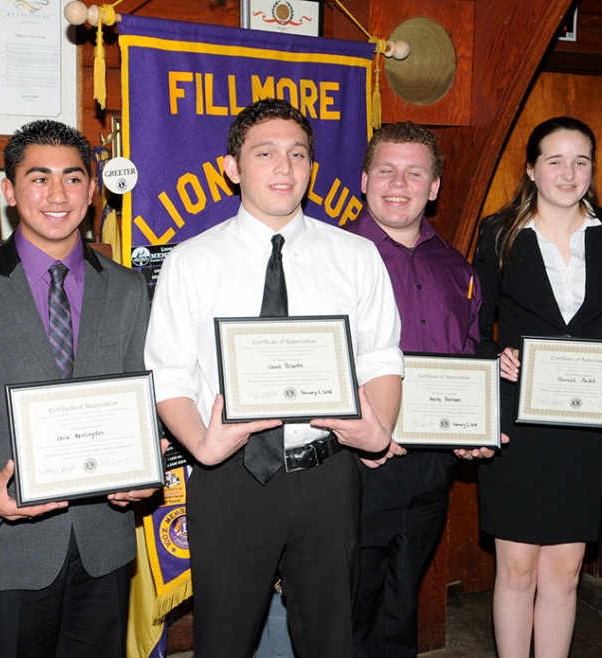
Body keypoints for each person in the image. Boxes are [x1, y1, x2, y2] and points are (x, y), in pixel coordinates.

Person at [144, 98, 404, 657]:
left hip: (328, 474)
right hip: (230, 477)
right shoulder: (191, 261)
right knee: (224, 640)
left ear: (312, 166)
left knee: (330, 640)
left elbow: (382, 355)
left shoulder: (356, 256)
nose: (284, 168)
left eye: (298, 154)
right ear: (233, 168)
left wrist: (377, 431)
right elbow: (169, 372)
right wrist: (201, 444)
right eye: (265, 154)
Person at [0, 119, 155, 658]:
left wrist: (148, 471)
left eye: (73, 179)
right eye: (39, 178)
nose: (58, 195)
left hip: (106, 542)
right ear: (9, 191)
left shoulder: (126, 288)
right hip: (8, 551)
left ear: (93, 190)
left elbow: (144, 407)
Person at [474, 116, 602, 658]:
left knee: (566, 571)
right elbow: (474, 330)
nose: (568, 172)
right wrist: (495, 355)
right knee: (518, 569)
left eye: (581, 161)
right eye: (555, 159)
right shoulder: (498, 231)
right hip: (520, 424)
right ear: (531, 168)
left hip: (586, 424)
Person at [347, 121, 492, 657]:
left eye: (415, 172)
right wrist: (367, 430)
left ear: (434, 187)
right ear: (364, 179)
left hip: (431, 467)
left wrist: (477, 426)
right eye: (386, 170)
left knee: (402, 606)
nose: (399, 183)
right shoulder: (333, 259)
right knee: (350, 612)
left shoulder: (458, 268)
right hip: (356, 467)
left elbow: (471, 355)